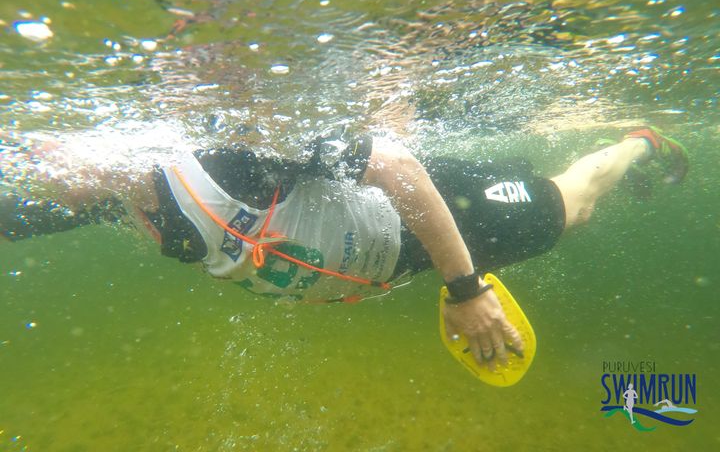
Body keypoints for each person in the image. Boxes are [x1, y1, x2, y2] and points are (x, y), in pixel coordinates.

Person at [0, 127, 688, 370]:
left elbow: (397, 167)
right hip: (394, 257)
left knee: (574, 206)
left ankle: (638, 145)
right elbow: (15, 218)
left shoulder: (220, 158)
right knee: (570, 218)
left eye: (38, 156)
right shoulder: (100, 193)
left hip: (431, 210)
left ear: (80, 145)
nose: (34, 178)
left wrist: (466, 290)